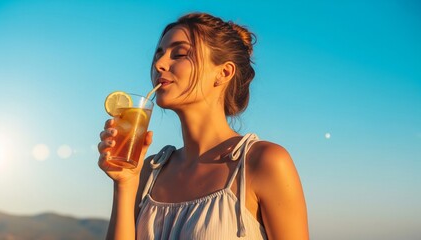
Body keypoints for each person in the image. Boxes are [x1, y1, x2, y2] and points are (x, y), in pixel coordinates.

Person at [98, 12, 308, 240]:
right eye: (158, 54)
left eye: (179, 54)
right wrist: (125, 184)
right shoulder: (149, 171)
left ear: (223, 72)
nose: (159, 64)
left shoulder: (263, 162)